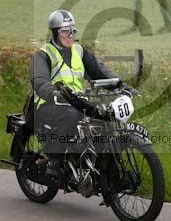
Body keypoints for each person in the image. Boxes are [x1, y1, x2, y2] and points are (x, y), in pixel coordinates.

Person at [29, 9, 132, 179]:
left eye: (73, 31)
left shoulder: (79, 51)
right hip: (50, 104)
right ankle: (55, 160)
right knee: (71, 115)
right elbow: (39, 81)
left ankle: (102, 167)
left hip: (77, 101)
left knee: (104, 117)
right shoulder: (43, 54)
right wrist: (55, 93)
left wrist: (121, 85)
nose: (70, 35)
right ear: (55, 33)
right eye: (65, 31)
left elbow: (100, 71)